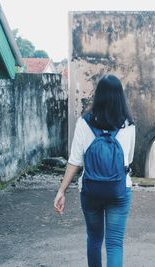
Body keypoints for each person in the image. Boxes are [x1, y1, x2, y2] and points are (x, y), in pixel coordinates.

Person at [54, 74, 135, 267]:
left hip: (90, 191)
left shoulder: (84, 123)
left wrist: (61, 191)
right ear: (119, 97)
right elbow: (129, 160)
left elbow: (75, 161)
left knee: (94, 239)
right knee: (115, 244)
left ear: (98, 96)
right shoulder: (129, 125)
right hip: (120, 190)